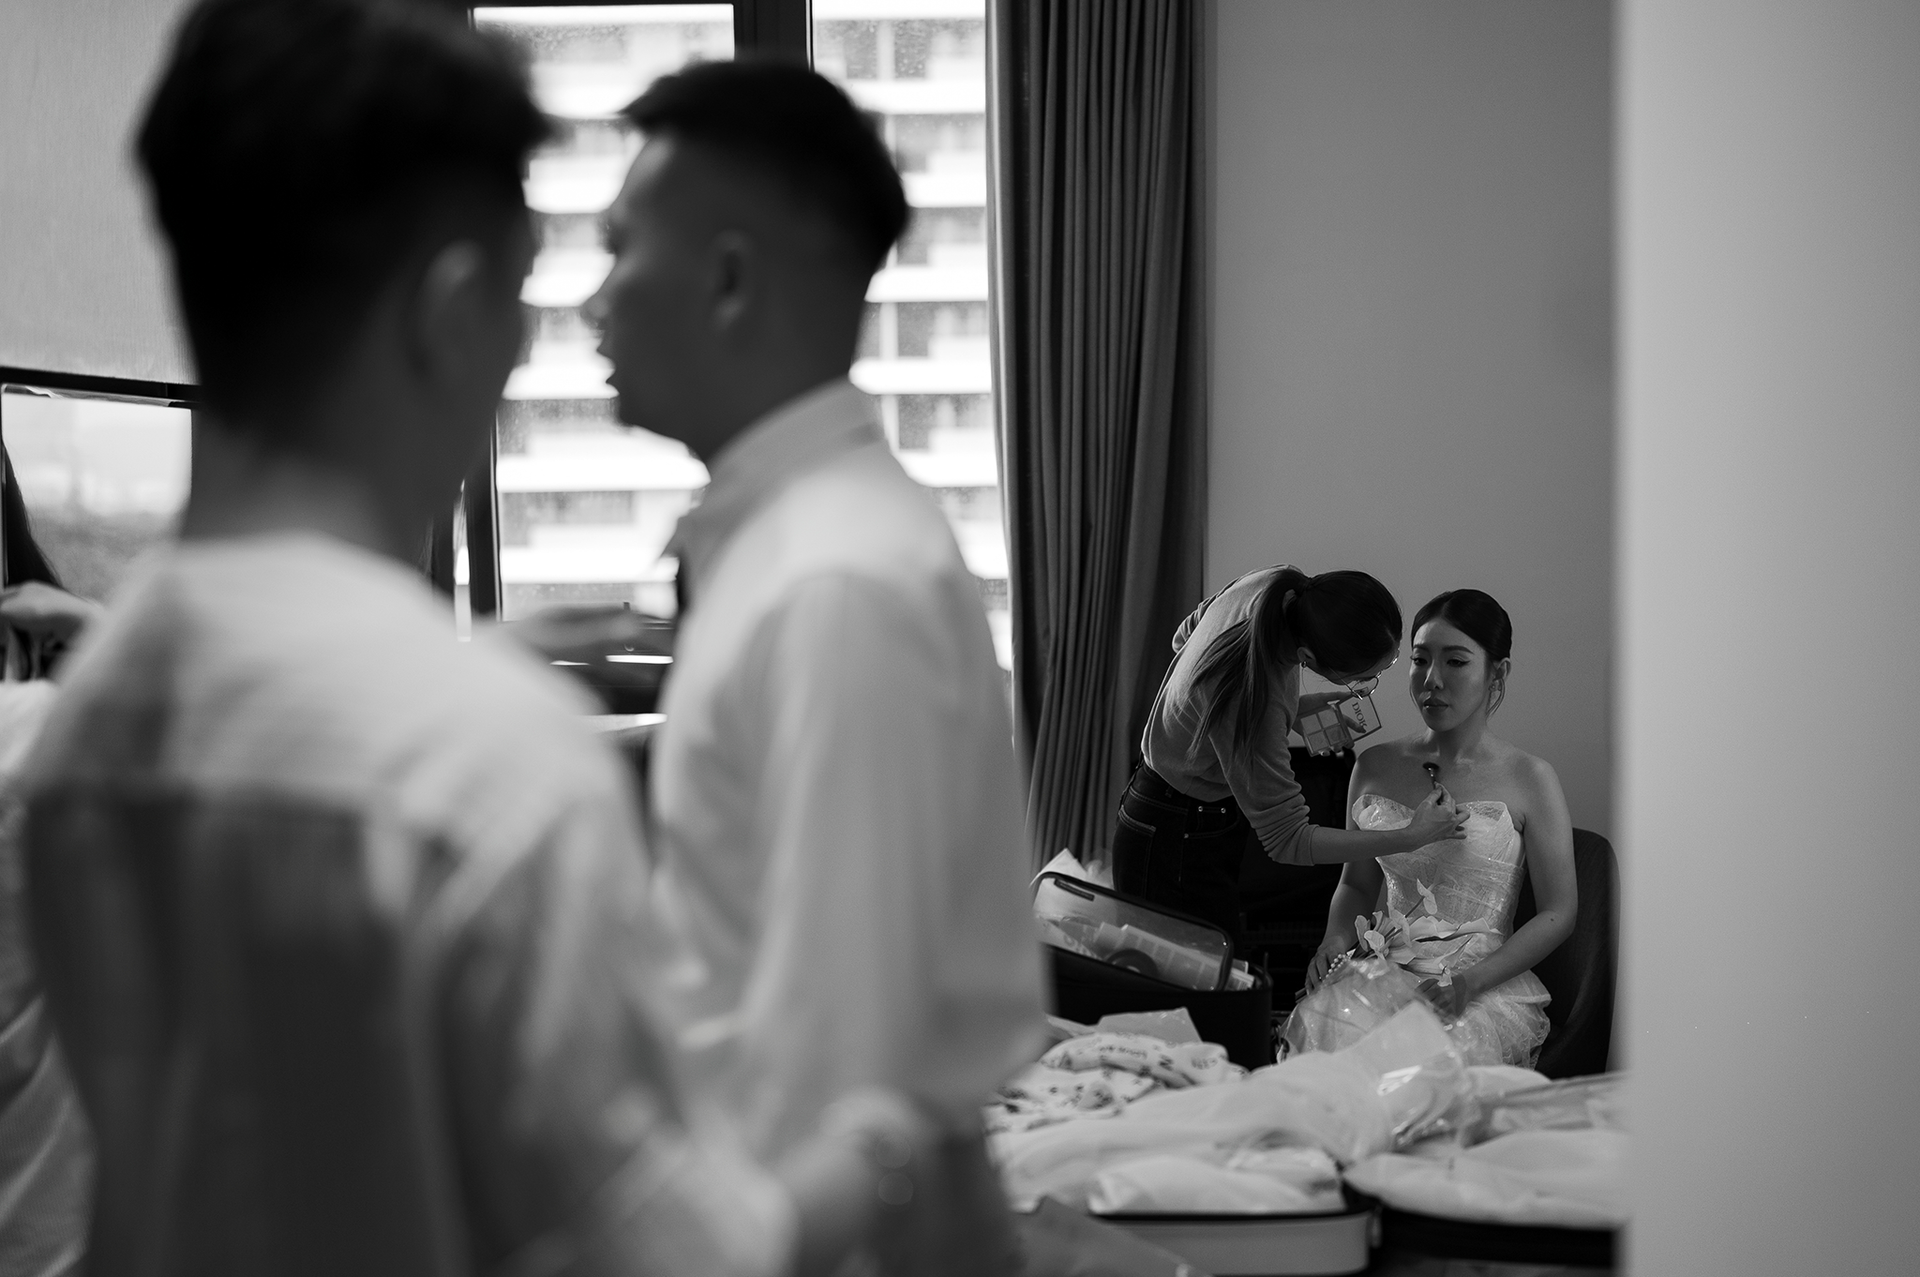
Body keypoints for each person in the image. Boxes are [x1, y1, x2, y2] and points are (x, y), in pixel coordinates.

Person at [20, 4, 941, 1274]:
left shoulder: (83, 722)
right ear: (450, 309)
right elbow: (685, 1260)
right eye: (520, 293)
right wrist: (890, 1144)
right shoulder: (496, 774)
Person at [585, 60, 1046, 1266]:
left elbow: (833, 1090)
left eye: (619, 247)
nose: (592, 301)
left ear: (729, 278)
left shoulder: (834, 582)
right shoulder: (795, 549)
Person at [1116, 564, 1467, 951]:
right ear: (1307, 656)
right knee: (1200, 976)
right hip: (1173, 835)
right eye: (1362, 678)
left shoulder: (1276, 585)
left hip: (1175, 808)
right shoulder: (1254, 704)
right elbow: (1289, 840)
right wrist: (1409, 837)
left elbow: (1185, 637)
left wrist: (1288, 708)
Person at [1295, 588, 1578, 1067]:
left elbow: (1559, 912)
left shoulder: (1531, 778)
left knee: (1425, 1065)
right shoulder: (1373, 766)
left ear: (1497, 672)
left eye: (1455, 662)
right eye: (1420, 660)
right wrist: (1334, 941)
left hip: (1480, 986)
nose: (1432, 680)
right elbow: (1356, 884)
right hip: (1384, 976)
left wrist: (1468, 984)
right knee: (1327, 1049)